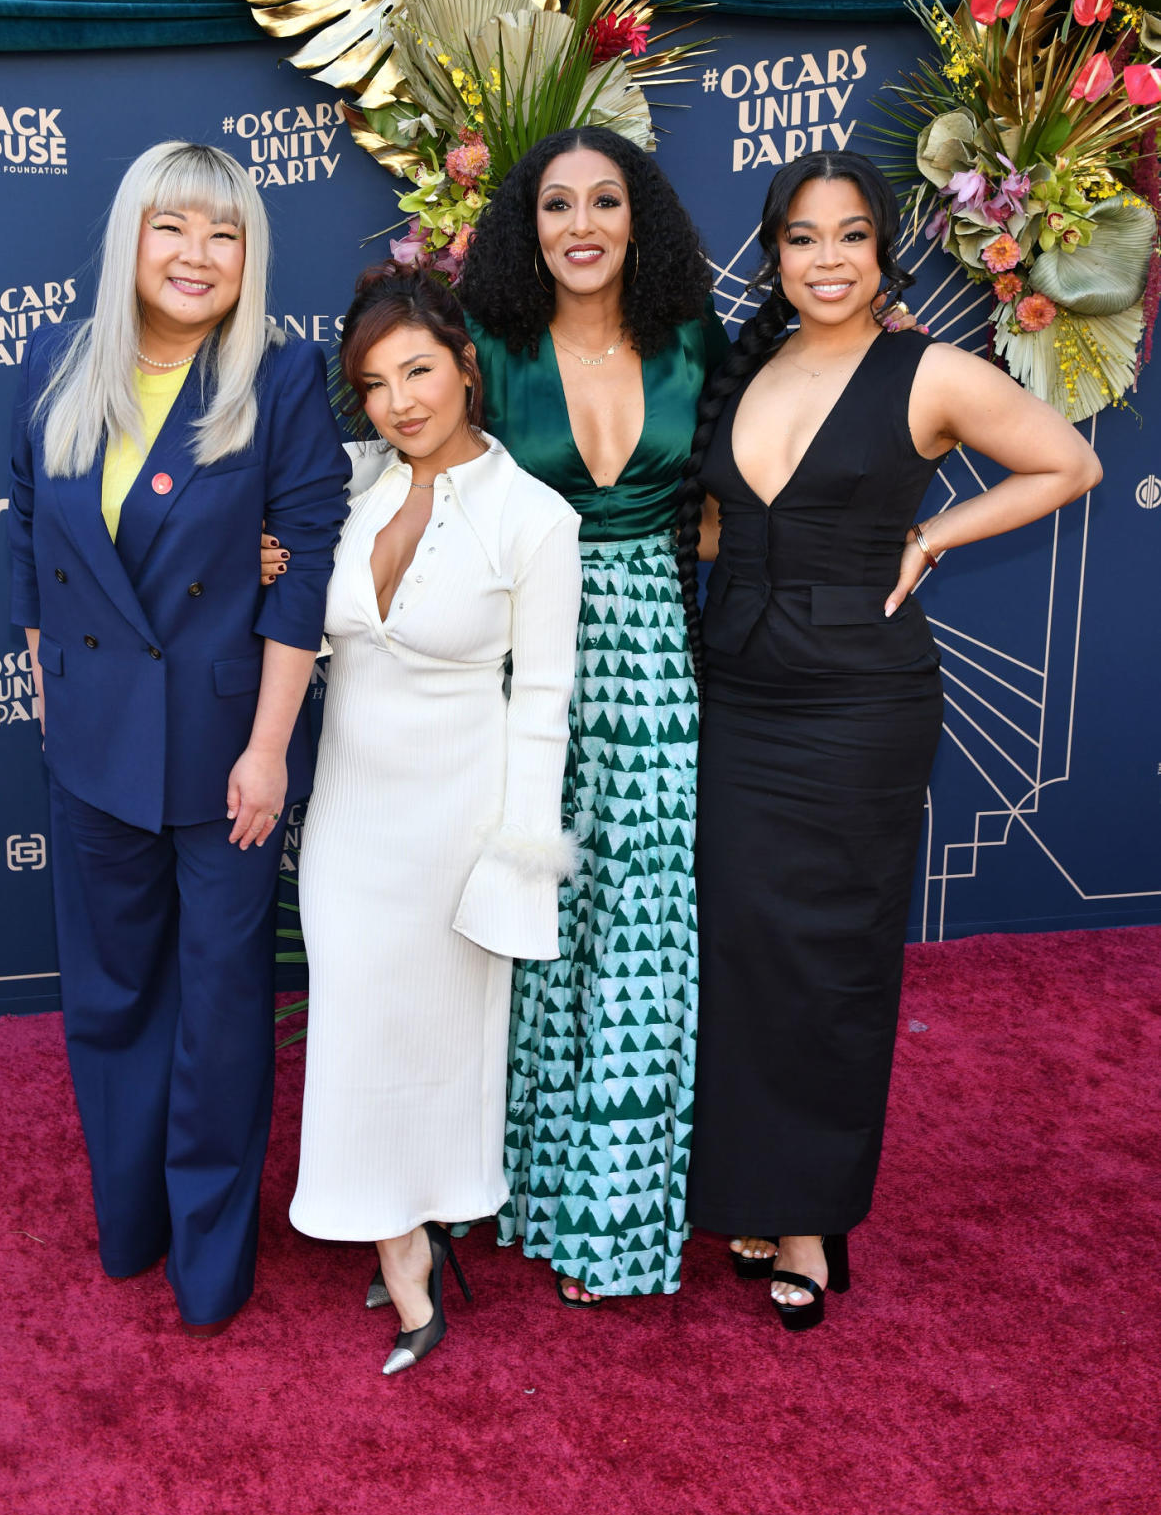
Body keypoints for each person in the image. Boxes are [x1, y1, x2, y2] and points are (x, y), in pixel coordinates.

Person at [677, 151, 1102, 1328]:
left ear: (882, 252)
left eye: (850, 237)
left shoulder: (928, 373)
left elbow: (1071, 461)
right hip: (739, 697)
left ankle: (812, 1219)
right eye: (803, 239)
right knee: (746, 953)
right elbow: (715, 530)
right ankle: (750, 1190)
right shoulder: (745, 368)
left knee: (832, 960)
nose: (826, 261)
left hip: (860, 710)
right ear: (773, 253)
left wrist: (940, 535)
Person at [8, 140, 348, 1335]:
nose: (198, 255)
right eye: (174, 228)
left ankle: (211, 1259)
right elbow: (27, 537)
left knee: (215, 1009)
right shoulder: (60, 364)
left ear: (250, 255)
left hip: (225, 755)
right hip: (93, 747)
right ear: (130, 240)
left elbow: (303, 566)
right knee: (108, 999)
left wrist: (267, 749)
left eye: (225, 233)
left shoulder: (281, 375)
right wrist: (52, 690)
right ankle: (131, 1223)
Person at [287, 265, 582, 1373]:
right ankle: (395, 1227)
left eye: (418, 370)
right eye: (374, 384)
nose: (400, 401)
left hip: (460, 824)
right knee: (360, 1025)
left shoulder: (536, 520)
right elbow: (304, 634)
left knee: (444, 1044)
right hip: (352, 822)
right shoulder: (348, 495)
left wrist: (517, 862)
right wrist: (279, 566)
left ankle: (410, 1246)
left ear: (465, 364)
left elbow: (543, 704)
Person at [454, 125, 730, 1303]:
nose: (580, 226)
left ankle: (616, 1221)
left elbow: (762, 475)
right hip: (518, 668)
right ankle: (510, 1186)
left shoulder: (696, 345)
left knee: (642, 943)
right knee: (528, 922)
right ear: (527, 229)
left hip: (657, 662)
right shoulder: (484, 349)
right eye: (556, 205)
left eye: (604, 202)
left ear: (640, 221)